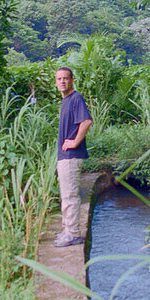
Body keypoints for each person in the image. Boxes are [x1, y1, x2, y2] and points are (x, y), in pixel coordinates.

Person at [54, 66, 92, 247]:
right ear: (56, 82)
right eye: (59, 79)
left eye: (65, 78)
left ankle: (73, 233)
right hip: (64, 157)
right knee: (65, 195)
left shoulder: (76, 98)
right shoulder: (66, 101)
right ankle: (67, 229)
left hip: (71, 156)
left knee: (70, 196)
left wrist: (75, 142)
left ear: (72, 80)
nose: (62, 81)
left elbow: (86, 121)